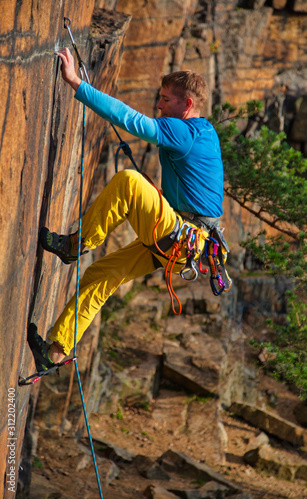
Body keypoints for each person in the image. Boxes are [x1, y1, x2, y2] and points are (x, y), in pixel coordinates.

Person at [28, 47, 224, 373]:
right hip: (185, 242)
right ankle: (54, 354)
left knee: (129, 182)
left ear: (187, 104)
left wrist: (76, 82)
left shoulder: (185, 132)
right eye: (159, 98)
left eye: (166, 99)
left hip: (182, 237)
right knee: (101, 276)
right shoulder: (204, 131)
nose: (159, 105)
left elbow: (132, 121)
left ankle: (74, 246)